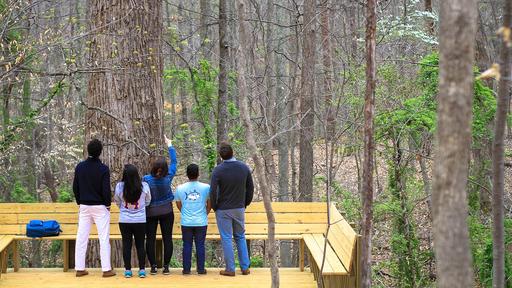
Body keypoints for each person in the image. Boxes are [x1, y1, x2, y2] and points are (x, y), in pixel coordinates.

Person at [73, 139, 116, 277]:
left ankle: (79, 268)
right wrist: (107, 204)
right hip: (100, 206)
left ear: (88, 150)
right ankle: (106, 269)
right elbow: (105, 190)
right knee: (103, 237)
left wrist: (80, 201)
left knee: (81, 237)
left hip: (84, 205)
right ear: (100, 152)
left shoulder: (80, 167)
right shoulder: (103, 169)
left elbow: (75, 187)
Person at [210, 142, 254, 276]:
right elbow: (250, 188)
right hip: (239, 208)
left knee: (227, 238)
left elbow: (213, 191)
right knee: (240, 236)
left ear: (221, 156)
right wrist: (245, 203)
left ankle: (230, 269)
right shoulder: (243, 168)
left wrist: (215, 206)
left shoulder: (218, 170)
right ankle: (245, 267)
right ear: (233, 152)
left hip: (223, 209)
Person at [143, 135, 177, 275]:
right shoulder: (168, 177)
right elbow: (174, 162)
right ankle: (166, 267)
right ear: (164, 168)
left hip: (150, 212)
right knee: (167, 238)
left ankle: (153, 267)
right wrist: (170, 145)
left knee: (150, 239)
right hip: (167, 211)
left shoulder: (146, 179)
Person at [114, 164, 151, 278]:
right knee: (140, 245)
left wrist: (124, 209)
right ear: (136, 174)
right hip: (140, 220)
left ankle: (128, 270)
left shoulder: (120, 186)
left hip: (124, 220)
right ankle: (141, 270)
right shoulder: (144, 186)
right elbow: (148, 201)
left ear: (124, 175)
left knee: (126, 245)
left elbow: (117, 201)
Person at [175, 164, 211, 275]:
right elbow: (210, 203)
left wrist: (184, 212)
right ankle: (200, 269)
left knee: (187, 244)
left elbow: (178, 203)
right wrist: (205, 213)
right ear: (198, 173)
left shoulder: (180, 188)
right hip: (201, 221)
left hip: (186, 221)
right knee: (200, 245)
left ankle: (186, 269)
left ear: (187, 174)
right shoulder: (206, 187)